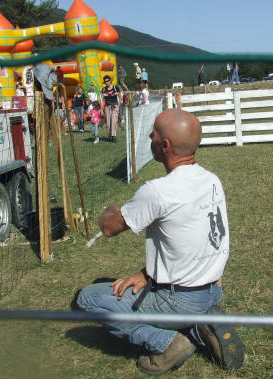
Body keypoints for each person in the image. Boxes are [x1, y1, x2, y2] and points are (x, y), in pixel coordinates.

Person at [77, 109, 244, 376]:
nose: (149, 136)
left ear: (164, 146)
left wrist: (110, 209)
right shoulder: (212, 180)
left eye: (153, 133)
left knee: (88, 299)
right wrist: (146, 274)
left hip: (179, 298)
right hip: (212, 289)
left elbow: (109, 228)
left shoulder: (158, 191)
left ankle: (170, 342)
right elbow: (190, 240)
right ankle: (200, 325)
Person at [100, 75, 122, 143]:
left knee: (114, 121)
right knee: (108, 122)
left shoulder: (116, 88)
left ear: (110, 81)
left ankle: (114, 136)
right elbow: (102, 100)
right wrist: (101, 109)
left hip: (114, 106)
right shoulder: (103, 89)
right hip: (107, 107)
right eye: (105, 81)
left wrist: (118, 105)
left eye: (108, 81)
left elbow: (120, 97)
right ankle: (109, 136)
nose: (106, 82)